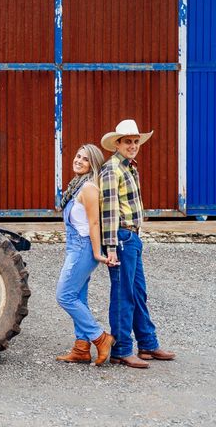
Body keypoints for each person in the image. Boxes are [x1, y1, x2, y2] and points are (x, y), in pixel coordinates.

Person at [100, 119, 176, 369]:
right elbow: (109, 211)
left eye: (135, 142)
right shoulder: (112, 169)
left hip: (133, 237)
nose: (133, 145)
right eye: (128, 142)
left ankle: (147, 344)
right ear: (117, 143)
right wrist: (110, 247)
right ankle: (121, 349)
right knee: (123, 295)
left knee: (138, 293)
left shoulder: (130, 167)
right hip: (121, 238)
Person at [56, 144, 115, 366]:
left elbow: (94, 222)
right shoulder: (76, 186)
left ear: (94, 165)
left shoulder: (89, 188)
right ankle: (81, 349)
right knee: (78, 297)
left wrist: (98, 252)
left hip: (82, 248)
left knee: (64, 295)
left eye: (86, 159)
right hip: (74, 246)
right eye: (78, 155)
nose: (79, 160)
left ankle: (100, 338)